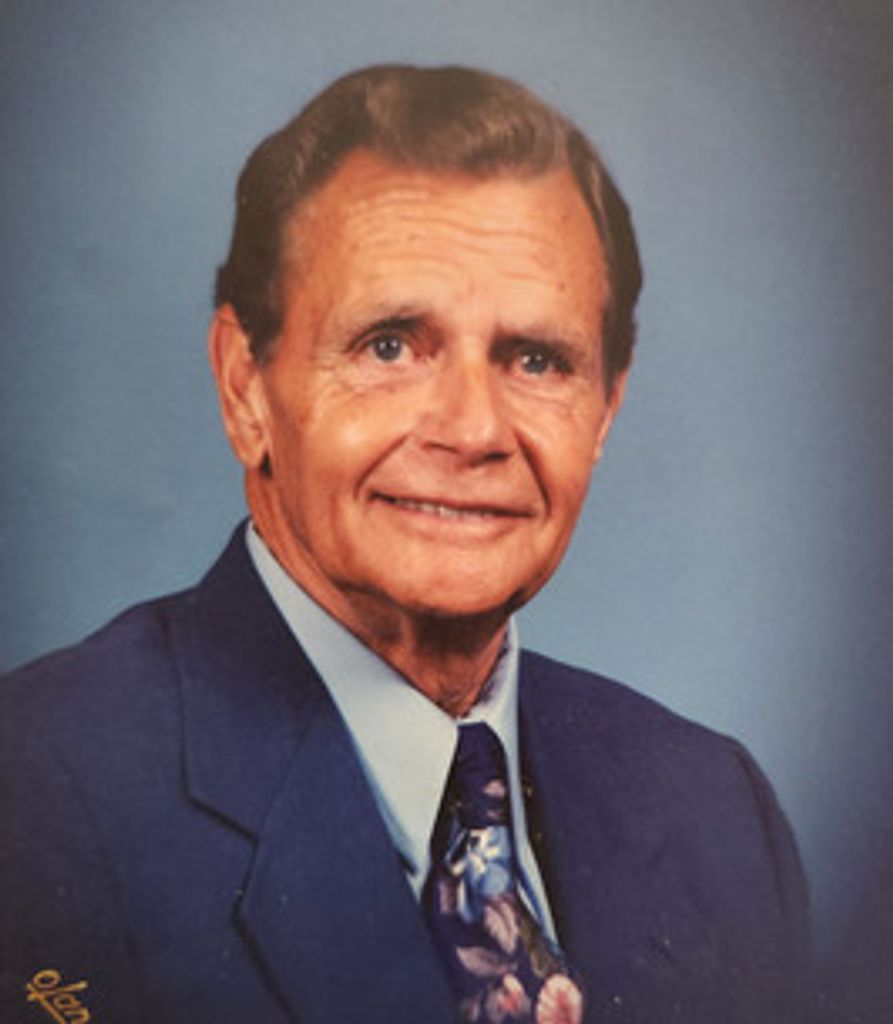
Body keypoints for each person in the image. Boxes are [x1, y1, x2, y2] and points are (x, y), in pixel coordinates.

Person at [1, 65, 809, 1023]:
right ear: (244, 386)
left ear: (604, 410)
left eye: (537, 359)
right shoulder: (37, 797)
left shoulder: (718, 810)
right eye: (389, 345)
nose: (473, 430)